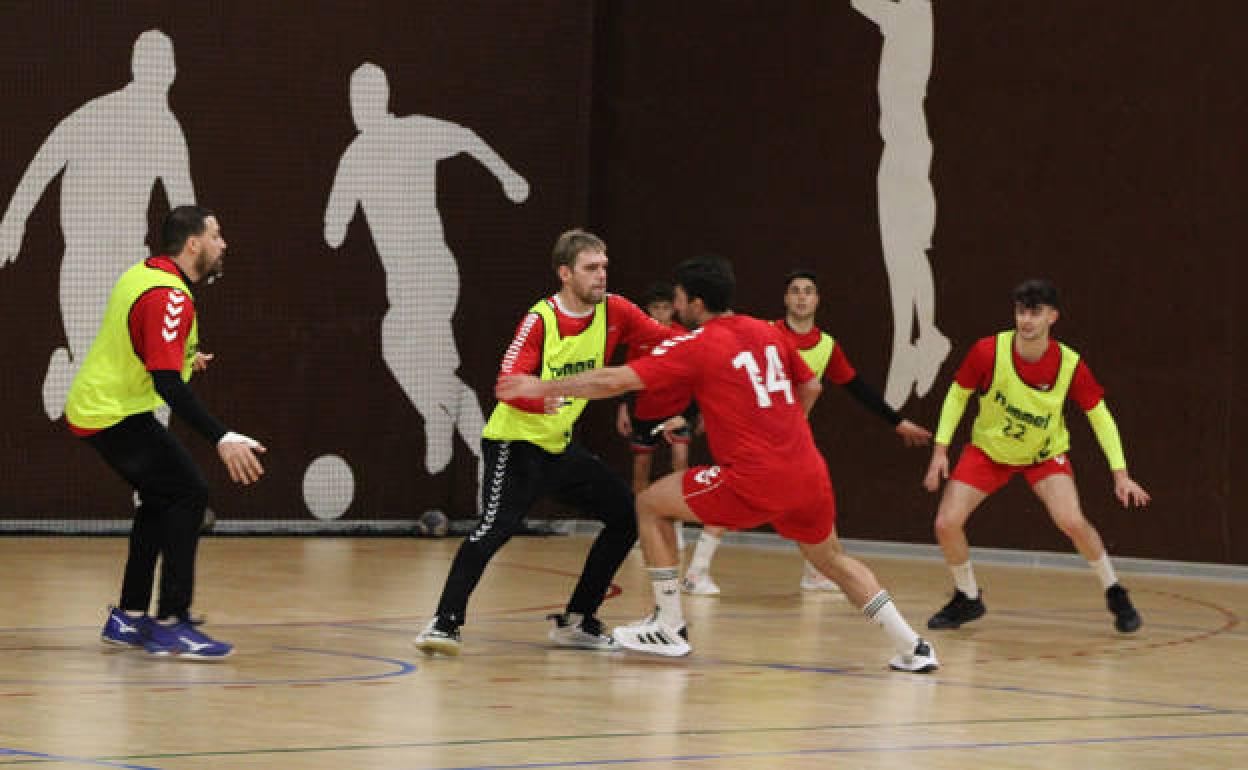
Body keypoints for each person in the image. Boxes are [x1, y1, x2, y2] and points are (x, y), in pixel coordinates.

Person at [499, 255, 937, 672]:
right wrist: (780, 430)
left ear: (696, 302)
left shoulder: (699, 344)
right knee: (833, 560)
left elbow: (614, 381)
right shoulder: (768, 332)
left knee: (649, 503)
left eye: (678, 298)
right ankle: (912, 646)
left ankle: (669, 625)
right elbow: (812, 387)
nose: (675, 306)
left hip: (753, 478)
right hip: (807, 472)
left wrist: (539, 387)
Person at [413, 229, 673, 656]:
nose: (601, 275)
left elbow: (665, 342)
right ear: (565, 274)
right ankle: (444, 623)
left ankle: (578, 621)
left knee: (627, 516)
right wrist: (541, 399)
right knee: (493, 529)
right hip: (515, 444)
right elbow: (506, 384)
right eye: (591, 268)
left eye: (604, 266)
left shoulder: (617, 311)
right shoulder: (541, 319)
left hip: (559, 446)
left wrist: (714, 342)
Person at [66, 206, 265, 660]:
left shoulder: (145, 274)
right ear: (193, 244)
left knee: (161, 497)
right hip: (110, 412)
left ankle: (129, 617)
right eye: (216, 235)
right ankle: (172, 624)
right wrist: (222, 437)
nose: (223, 244)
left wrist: (184, 356)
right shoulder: (170, 296)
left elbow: (144, 340)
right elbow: (167, 383)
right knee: (189, 492)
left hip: (104, 406)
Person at [324, 62, 529, 490]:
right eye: (353, 100)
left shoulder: (414, 131)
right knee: (422, 367)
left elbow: (467, 138)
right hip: (404, 286)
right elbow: (334, 225)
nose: (358, 107)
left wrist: (508, 175)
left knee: (409, 349)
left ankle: (463, 436)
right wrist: (336, 223)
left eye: (364, 98)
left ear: (379, 98)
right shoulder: (355, 156)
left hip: (432, 272)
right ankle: (470, 438)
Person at [921, 279, 1150, 633]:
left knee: (1071, 520)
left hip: (1043, 455)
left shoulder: (1070, 364)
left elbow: (1101, 418)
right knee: (945, 523)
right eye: (1021, 312)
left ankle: (1114, 590)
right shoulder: (987, 351)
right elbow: (957, 395)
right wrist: (940, 450)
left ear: (1052, 317)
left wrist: (1120, 474)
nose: (1026, 320)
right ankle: (967, 597)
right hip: (989, 451)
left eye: (1035, 313)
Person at [683, 269, 931, 596]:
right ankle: (697, 571)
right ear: (786, 298)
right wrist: (689, 414)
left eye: (808, 291)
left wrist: (897, 422)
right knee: (736, 495)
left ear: (817, 300)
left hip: (791, 442)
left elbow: (858, 388)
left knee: (814, 501)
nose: (801, 297)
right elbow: (718, 370)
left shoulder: (826, 346)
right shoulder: (765, 332)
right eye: (795, 291)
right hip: (754, 438)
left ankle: (816, 572)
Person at [0, 30, 196, 421]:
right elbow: (44, 163)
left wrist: (195, 254)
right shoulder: (96, 116)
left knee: (153, 377)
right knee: (99, 381)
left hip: (129, 266)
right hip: (85, 265)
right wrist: (12, 222)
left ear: (171, 74)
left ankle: (149, 451)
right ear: (144, 69)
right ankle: (71, 374)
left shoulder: (163, 129)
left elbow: (184, 206)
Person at [615, 281, 699, 548]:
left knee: (680, 460)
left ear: (673, 309)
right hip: (645, 411)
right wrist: (623, 408)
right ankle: (642, 528)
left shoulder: (683, 336)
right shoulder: (639, 338)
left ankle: (678, 525)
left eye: (665, 307)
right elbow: (627, 375)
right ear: (648, 310)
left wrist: (696, 414)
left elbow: (699, 376)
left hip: (676, 410)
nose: (660, 313)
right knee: (641, 468)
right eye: (655, 308)